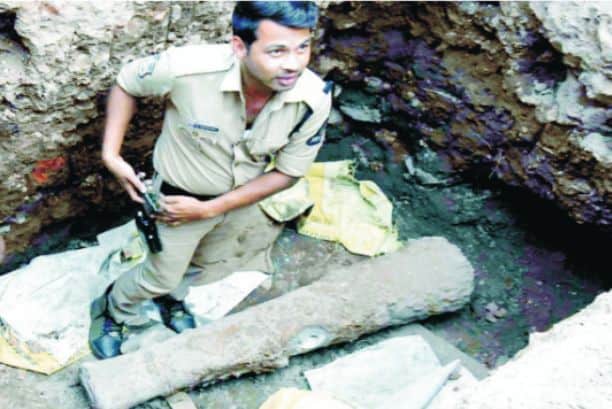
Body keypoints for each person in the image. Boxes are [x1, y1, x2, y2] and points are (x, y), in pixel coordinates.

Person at [89, 1, 332, 359]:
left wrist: (212, 209)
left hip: (239, 200)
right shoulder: (187, 68)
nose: (294, 63)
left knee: (205, 264)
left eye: (303, 47)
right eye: (277, 51)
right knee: (160, 274)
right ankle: (113, 309)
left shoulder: (312, 98)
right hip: (176, 202)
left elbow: (288, 172)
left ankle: (171, 299)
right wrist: (111, 155)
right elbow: (127, 83)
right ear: (240, 46)